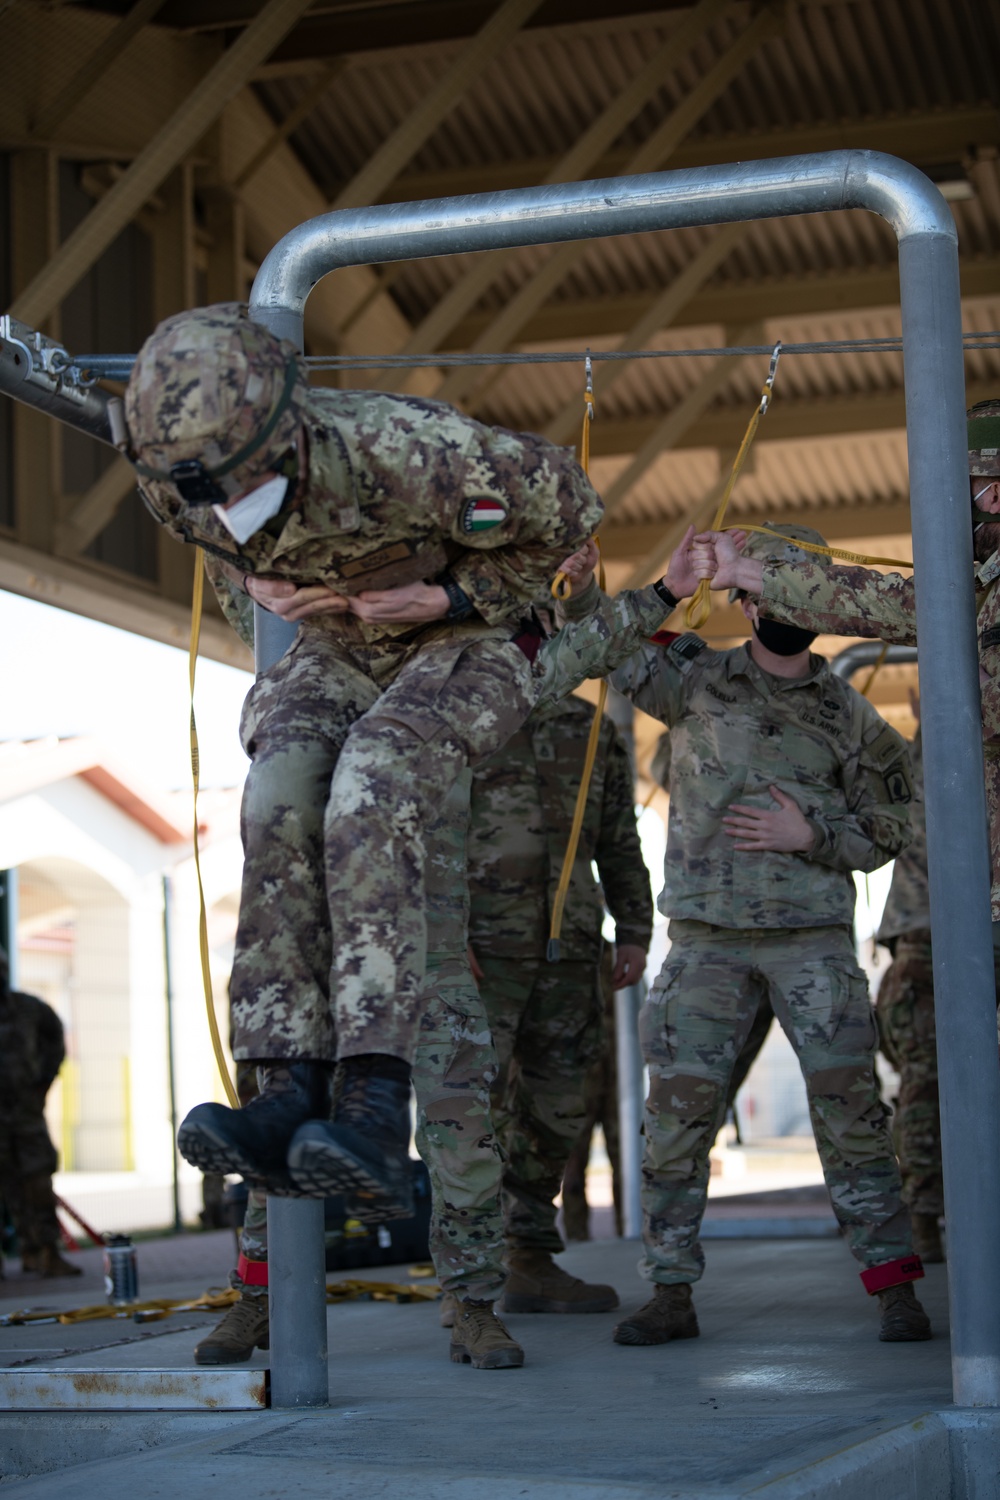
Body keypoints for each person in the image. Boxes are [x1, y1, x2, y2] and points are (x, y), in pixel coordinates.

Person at [119, 302, 603, 1215]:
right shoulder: (172, 475)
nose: (222, 504)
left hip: (475, 636)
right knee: (279, 793)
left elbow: (574, 517)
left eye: (242, 485)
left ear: (284, 436)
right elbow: (215, 549)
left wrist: (449, 593)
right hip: (343, 640)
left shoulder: (412, 452)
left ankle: (375, 1105)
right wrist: (256, 588)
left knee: (372, 787)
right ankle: (284, 1091)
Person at [557, 524, 930, 1345]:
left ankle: (894, 1287)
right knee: (678, 1122)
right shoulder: (693, 677)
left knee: (853, 1118)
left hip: (811, 941)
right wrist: (591, 588)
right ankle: (671, 1291)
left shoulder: (849, 714)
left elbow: (903, 816)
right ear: (743, 599)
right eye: (767, 589)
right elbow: (605, 651)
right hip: (706, 942)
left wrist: (818, 837)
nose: (780, 606)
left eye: (800, 590)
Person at [196, 775, 525, 1372]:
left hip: (433, 966)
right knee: (282, 1136)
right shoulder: (317, 716)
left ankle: (473, 1303)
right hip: (326, 970)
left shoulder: (449, 713)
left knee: (466, 1144)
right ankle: (256, 1296)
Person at [690, 399, 1000, 915]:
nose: (954, 514)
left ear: (993, 495)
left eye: (963, 492)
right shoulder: (980, 591)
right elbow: (877, 603)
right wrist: (746, 573)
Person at [466, 688, 652, 1314]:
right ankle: (466, 1277)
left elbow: (619, 835)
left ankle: (529, 1259)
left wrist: (633, 927)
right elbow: (420, 826)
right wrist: (437, 926)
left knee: (558, 1108)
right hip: (480, 945)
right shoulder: (458, 703)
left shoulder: (589, 725)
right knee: (466, 1111)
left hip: (569, 944)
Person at [874, 702, 944, 1263]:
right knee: (925, 1085)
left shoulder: (916, 764)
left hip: (922, 938)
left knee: (925, 1083)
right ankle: (921, 1218)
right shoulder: (931, 762)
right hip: (926, 940)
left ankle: (923, 1218)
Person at [0, 948, 80, 1278]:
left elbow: (55, 1038)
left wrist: (44, 1081)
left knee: (37, 1181)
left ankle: (45, 1252)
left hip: (25, 1112)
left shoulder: (28, 1009)